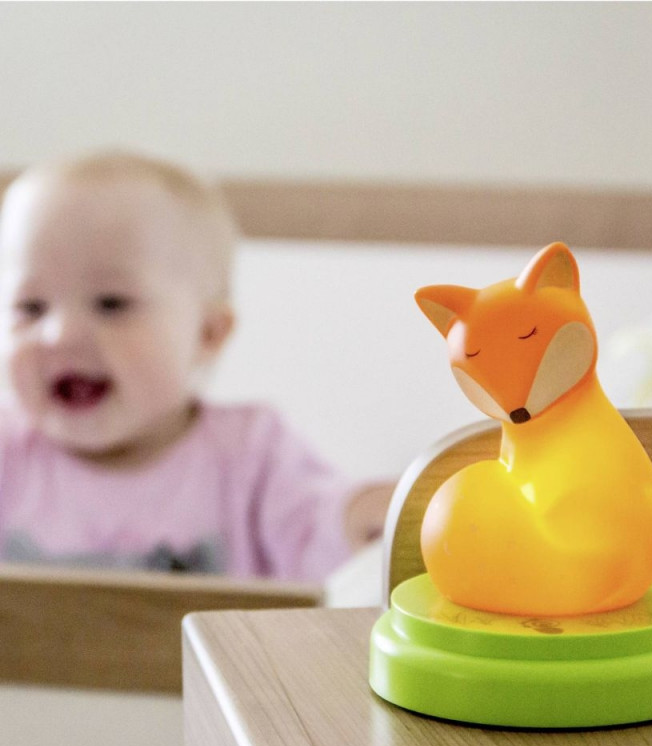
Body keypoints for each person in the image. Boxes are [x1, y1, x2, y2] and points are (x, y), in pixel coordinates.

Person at [0, 151, 391, 581]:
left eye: (111, 304)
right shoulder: (8, 454)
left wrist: (368, 520)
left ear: (207, 332)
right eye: (30, 307)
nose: (59, 334)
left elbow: (324, 542)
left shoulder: (253, 456)